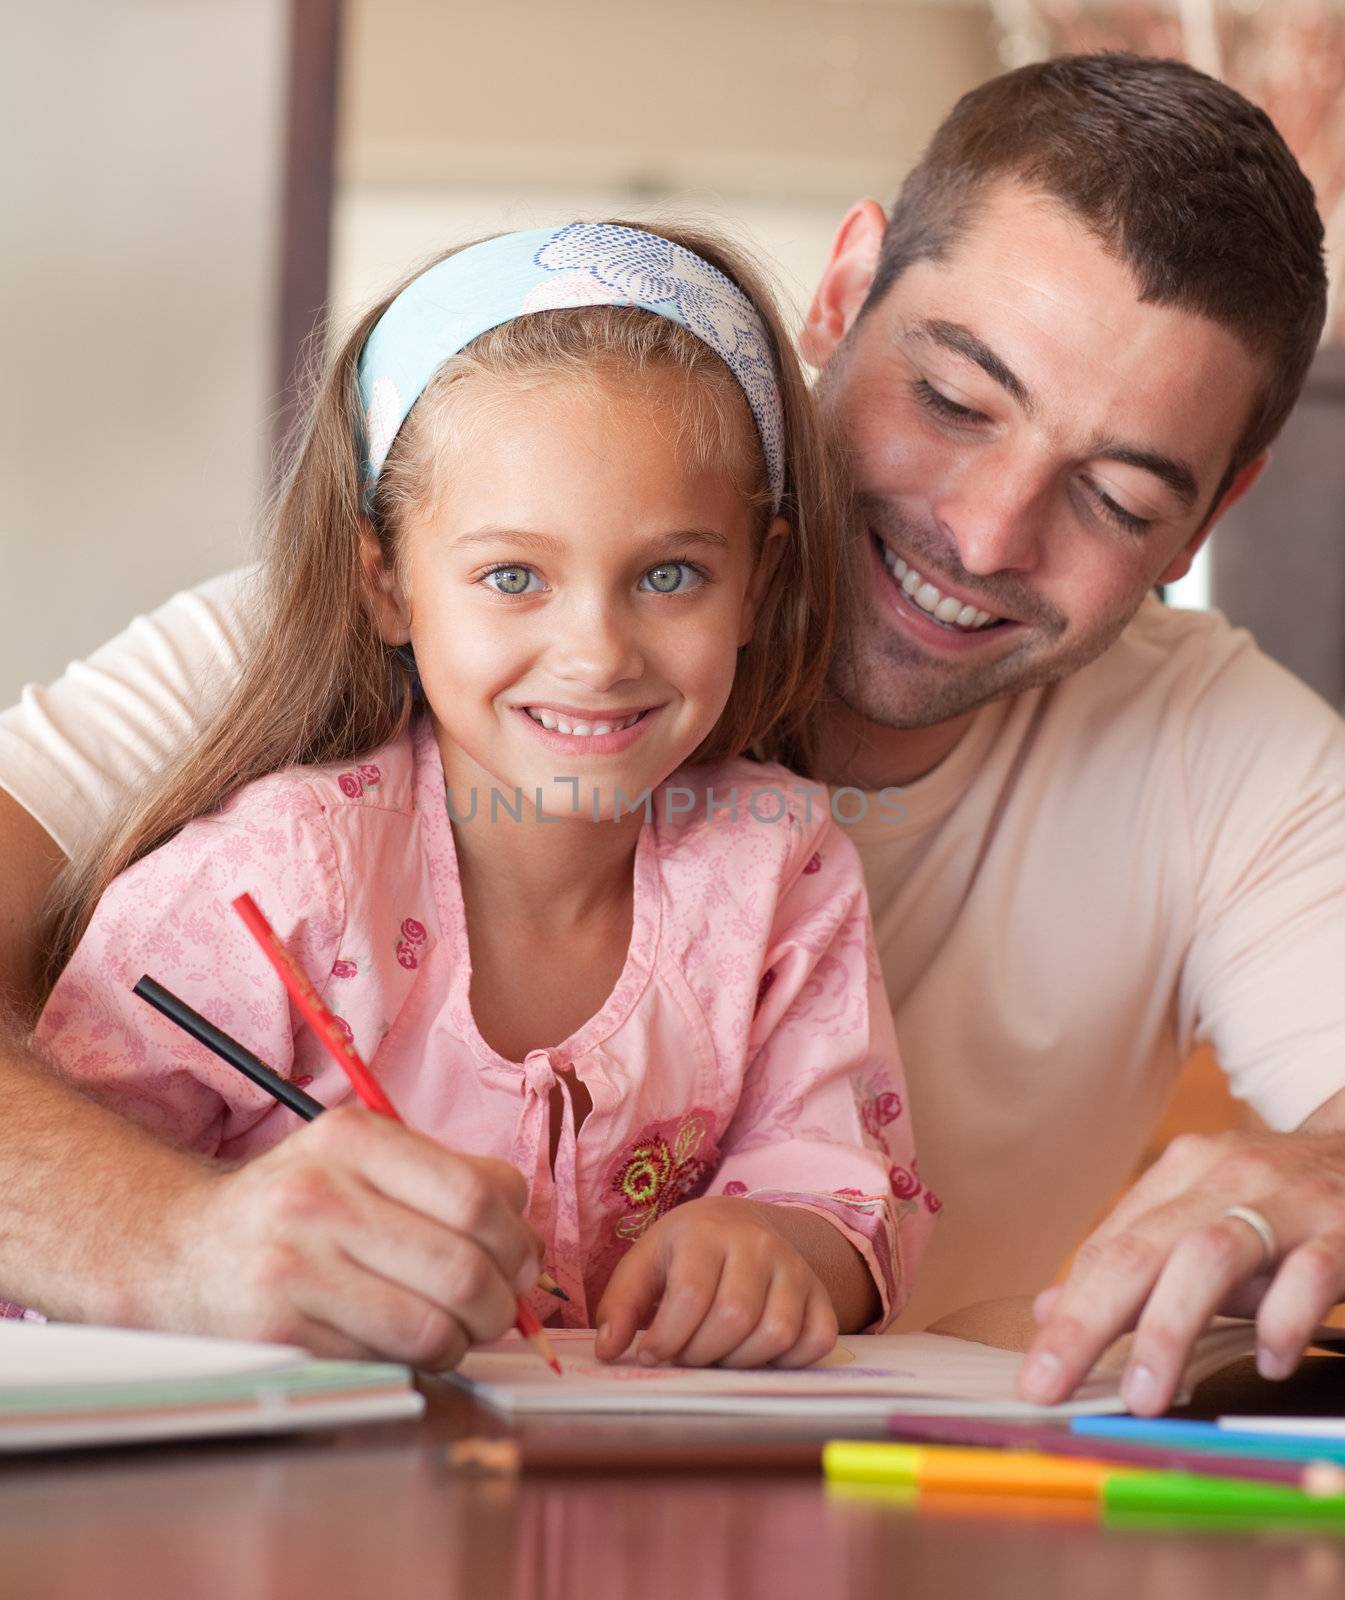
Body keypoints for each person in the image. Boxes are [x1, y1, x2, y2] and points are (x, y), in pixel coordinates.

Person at [1, 51, 1340, 1407]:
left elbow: (838, 1188)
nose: (987, 535)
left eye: (1115, 495)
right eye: (949, 401)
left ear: (1217, 511)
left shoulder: (1198, 761)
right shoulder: (320, 676)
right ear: (841, 289)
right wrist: (170, 1236)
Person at [13, 221, 931, 1370]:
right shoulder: (268, 878)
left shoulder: (781, 867)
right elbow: (52, 1273)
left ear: (760, 582)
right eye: (512, 576)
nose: (596, 651)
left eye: (669, 574)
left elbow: (843, 1181)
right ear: (387, 584)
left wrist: (778, 1244)